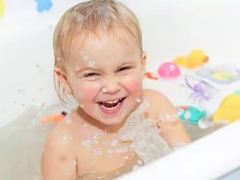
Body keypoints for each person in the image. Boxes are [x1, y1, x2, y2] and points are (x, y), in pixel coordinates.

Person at [41, 0, 192, 179]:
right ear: (65, 80)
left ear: (142, 65)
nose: (112, 87)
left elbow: (190, 163)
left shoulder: (156, 108)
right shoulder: (63, 144)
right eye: (92, 74)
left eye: (123, 69)